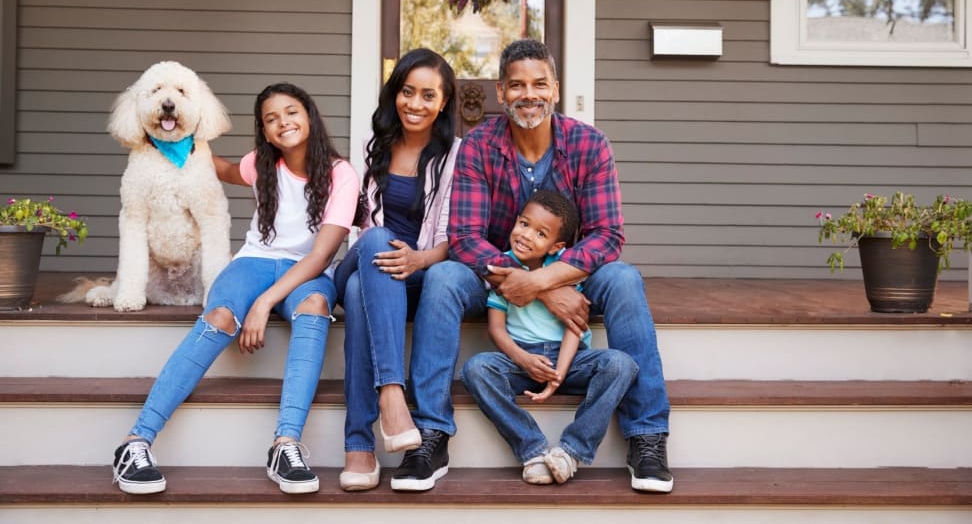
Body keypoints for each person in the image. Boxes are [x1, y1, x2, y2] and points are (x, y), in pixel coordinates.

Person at [408, 38, 674, 493]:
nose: (528, 94)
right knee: (443, 275)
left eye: (538, 84)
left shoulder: (589, 144)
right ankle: (431, 433)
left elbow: (607, 235)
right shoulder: (477, 146)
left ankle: (647, 436)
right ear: (500, 91)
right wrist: (531, 284)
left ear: (554, 88)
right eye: (516, 85)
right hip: (494, 275)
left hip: (576, 274)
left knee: (625, 278)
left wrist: (546, 278)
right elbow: (465, 238)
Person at [110, 82, 359, 495]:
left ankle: (286, 443)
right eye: (271, 119)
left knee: (315, 307)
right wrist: (175, 145)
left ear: (309, 115)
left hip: (306, 271)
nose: (284, 123)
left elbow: (320, 256)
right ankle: (136, 442)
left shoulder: (340, 173)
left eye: (291, 112)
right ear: (263, 130)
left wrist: (264, 303)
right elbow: (220, 169)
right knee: (220, 316)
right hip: (252, 263)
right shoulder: (260, 163)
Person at [333, 48, 460, 491]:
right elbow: (360, 226)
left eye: (428, 95)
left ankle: (359, 445)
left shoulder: (456, 156)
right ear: (395, 94)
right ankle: (392, 395)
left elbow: (454, 237)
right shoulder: (377, 147)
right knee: (373, 239)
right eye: (408, 92)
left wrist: (419, 259)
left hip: (417, 272)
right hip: (367, 258)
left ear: (443, 103)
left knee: (354, 295)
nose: (415, 104)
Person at [461, 190, 638, 485]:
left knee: (622, 365)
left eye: (540, 233)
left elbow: (574, 325)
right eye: (524, 224)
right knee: (475, 369)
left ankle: (571, 451)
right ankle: (532, 450)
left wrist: (558, 376)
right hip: (521, 359)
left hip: (570, 360)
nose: (527, 235)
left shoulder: (561, 271)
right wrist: (524, 359)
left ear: (557, 245)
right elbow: (496, 329)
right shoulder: (503, 268)